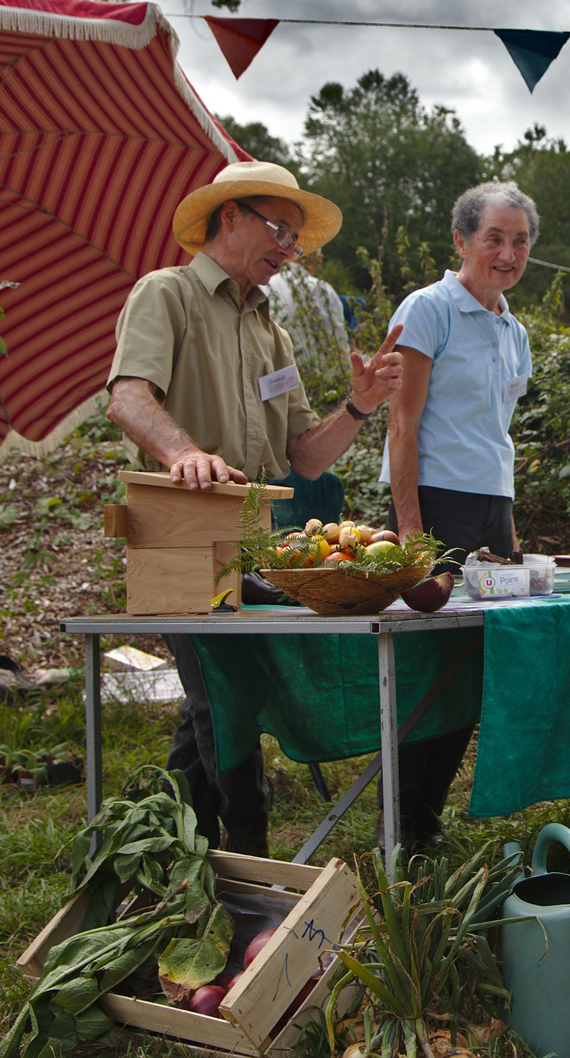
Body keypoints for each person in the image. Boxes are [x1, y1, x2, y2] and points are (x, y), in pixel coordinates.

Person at [106, 161, 404, 855]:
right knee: (222, 695)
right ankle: (248, 845)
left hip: (257, 537)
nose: (287, 250)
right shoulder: (167, 294)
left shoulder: (273, 328)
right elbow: (127, 397)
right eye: (278, 229)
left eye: (296, 240)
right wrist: (184, 453)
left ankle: (173, 847)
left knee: (219, 692)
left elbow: (304, 456)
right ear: (229, 216)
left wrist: (360, 405)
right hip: (180, 535)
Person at [382, 181, 537, 848]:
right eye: (494, 238)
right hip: (435, 502)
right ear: (462, 242)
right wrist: (411, 528)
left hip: (489, 511)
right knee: (425, 670)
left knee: (473, 669)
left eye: (520, 241)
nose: (507, 253)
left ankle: (425, 812)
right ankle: (403, 819)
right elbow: (402, 424)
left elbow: (493, 433)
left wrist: (510, 530)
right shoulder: (429, 310)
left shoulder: (515, 330)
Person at [267, 250, 352, 385]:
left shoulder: (265, 287)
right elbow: (339, 342)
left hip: (275, 383)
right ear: (319, 259)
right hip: (320, 384)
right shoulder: (323, 290)